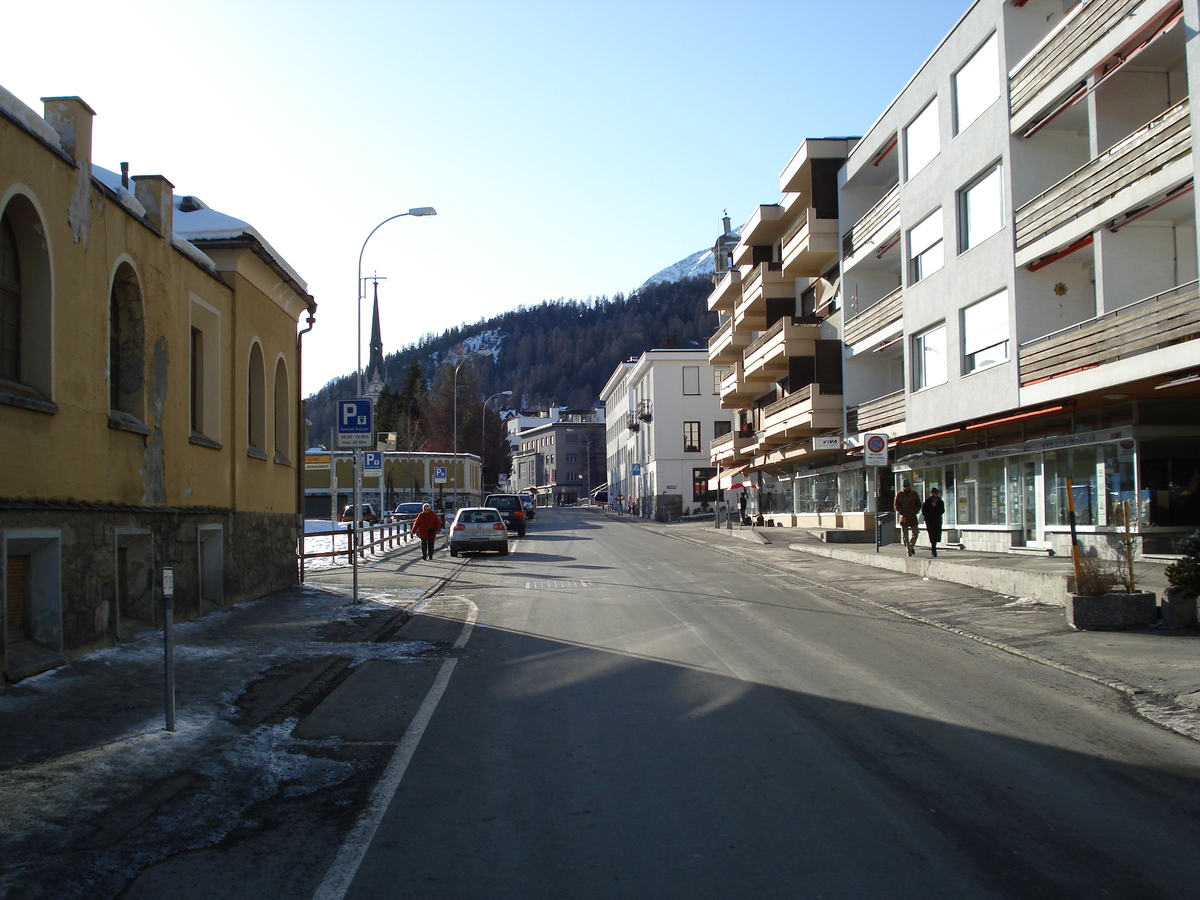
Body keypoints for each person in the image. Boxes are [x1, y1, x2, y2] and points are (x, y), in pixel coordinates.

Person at [894, 479, 922, 557]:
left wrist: (915, 511)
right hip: (904, 517)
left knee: (916, 532)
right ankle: (908, 550)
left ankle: (910, 546)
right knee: (905, 535)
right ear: (903, 486)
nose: (906, 487)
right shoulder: (899, 494)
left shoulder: (914, 494)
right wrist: (901, 512)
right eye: (905, 486)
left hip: (912, 516)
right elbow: (896, 506)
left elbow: (919, 504)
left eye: (907, 486)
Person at [922, 487, 945, 557]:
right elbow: (924, 511)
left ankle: (934, 547)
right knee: (932, 534)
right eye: (934, 493)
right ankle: (933, 549)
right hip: (930, 521)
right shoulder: (927, 501)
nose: (935, 494)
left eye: (936, 493)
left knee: (937, 534)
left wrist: (936, 507)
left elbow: (942, 511)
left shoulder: (940, 502)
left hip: (937, 520)